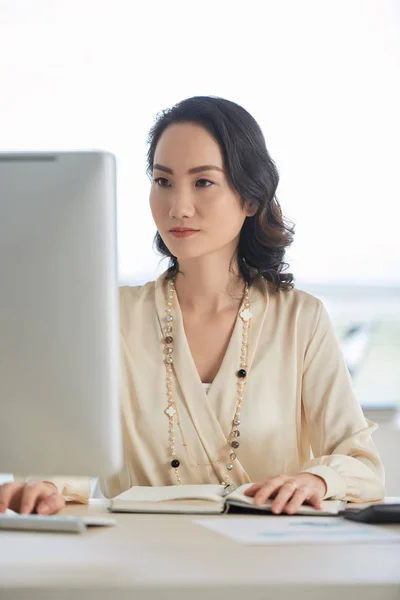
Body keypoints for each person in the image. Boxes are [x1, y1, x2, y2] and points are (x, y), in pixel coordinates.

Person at [0, 96, 385, 517]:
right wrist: (43, 485)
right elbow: (64, 457)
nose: (178, 207)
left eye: (203, 182)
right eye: (163, 181)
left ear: (250, 198)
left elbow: (361, 464)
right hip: (136, 559)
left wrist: (317, 479)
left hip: (271, 557)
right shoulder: (110, 318)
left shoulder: (300, 319)